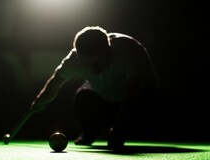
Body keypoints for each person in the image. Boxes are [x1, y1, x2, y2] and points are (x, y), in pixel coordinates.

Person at [30, 26, 160, 149]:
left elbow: (133, 95)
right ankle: (91, 132)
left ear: (108, 50)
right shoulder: (74, 58)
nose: (92, 69)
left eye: (97, 62)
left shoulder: (129, 50)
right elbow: (55, 83)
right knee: (83, 97)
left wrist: (119, 130)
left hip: (143, 101)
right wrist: (40, 101)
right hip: (107, 100)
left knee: (145, 107)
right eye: (85, 63)